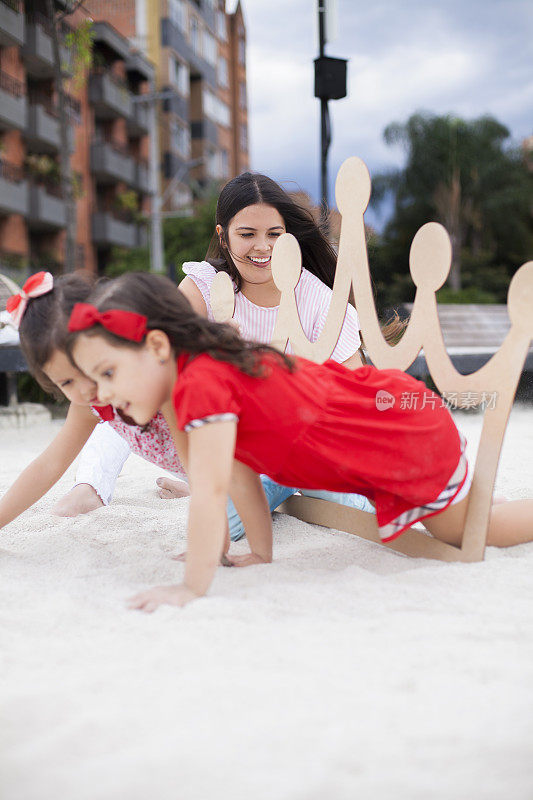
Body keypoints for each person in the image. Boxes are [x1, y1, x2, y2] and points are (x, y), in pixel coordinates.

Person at [68, 272, 533, 612]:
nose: (103, 395)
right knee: (470, 516)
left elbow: (210, 493)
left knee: (464, 532)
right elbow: (240, 474)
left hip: (394, 438)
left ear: (156, 347)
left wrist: (191, 587)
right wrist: (260, 552)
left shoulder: (200, 385)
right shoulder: (197, 377)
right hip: (380, 429)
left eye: (108, 373)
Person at [57, 171, 381, 532]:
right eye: (247, 234)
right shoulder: (205, 287)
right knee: (119, 399)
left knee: (340, 492)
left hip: (290, 438)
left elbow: (358, 391)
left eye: (274, 235)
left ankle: (215, 485)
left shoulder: (317, 299)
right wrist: (210, 350)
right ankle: (90, 487)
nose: (263, 247)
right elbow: (150, 364)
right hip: (211, 433)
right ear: (222, 236)